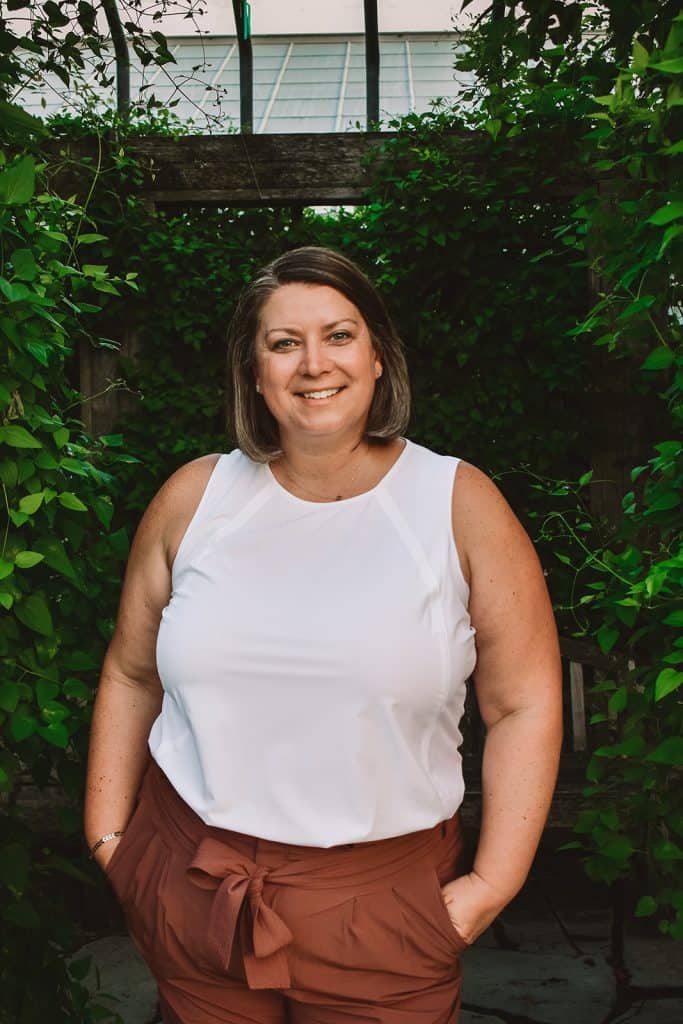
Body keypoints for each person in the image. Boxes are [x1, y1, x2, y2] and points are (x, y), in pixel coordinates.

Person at [84, 245, 563, 1024]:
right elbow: (131, 674)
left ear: (378, 357)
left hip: (381, 909)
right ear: (253, 370)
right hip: (194, 885)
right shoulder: (194, 498)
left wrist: (489, 887)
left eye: (338, 336)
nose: (314, 364)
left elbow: (524, 703)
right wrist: (112, 839)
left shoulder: (456, 502)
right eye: (283, 343)